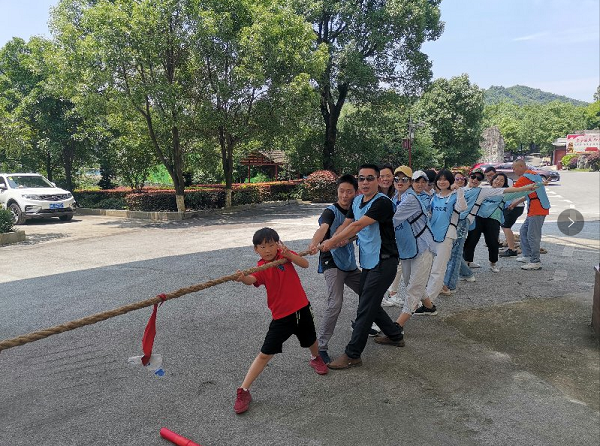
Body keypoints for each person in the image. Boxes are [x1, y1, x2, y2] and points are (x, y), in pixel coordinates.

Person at [234, 228, 328, 414]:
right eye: (263, 247)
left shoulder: (285, 255)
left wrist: (289, 255)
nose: (268, 250)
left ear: (278, 244)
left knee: (311, 339)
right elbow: (252, 279)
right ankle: (243, 391)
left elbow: (304, 264)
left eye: (271, 245)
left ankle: (315, 358)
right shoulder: (261, 267)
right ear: (256, 249)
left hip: (302, 309)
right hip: (281, 317)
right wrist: (243, 278)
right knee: (265, 354)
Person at [319, 164, 405, 370]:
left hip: (384, 262)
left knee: (365, 307)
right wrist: (334, 240)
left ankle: (353, 354)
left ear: (378, 181)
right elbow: (347, 224)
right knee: (369, 302)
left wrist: (331, 242)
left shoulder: (382, 203)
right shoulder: (357, 201)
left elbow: (358, 225)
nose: (365, 182)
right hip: (369, 262)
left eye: (370, 178)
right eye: (361, 178)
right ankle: (394, 335)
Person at [374, 169, 437, 347]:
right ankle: (430, 307)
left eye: (404, 179)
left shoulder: (409, 199)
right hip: (409, 248)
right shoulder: (396, 198)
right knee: (411, 280)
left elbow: (390, 221)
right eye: (397, 179)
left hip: (423, 246)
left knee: (414, 287)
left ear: (409, 182)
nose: (400, 182)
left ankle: (396, 328)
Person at [308, 175, 361, 364]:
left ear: (356, 192)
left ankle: (365, 325)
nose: (345, 195)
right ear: (337, 191)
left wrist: (348, 238)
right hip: (331, 261)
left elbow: (358, 231)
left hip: (348, 262)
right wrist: (314, 243)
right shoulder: (330, 211)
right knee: (335, 303)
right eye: (341, 191)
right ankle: (320, 348)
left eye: (349, 192)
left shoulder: (357, 210)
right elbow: (323, 228)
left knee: (369, 292)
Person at [463, 169, 540, 273]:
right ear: (492, 180)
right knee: (471, 240)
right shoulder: (483, 190)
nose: (498, 182)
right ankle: (468, 261)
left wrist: (536, 186)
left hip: (493, 220)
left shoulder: (505, 193)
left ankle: (493, 263)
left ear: (504, 183)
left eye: (502, 180)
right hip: (478, 218)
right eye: (497, 179)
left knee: (493, 242)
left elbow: (519, 192)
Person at [425, 169, 466, 301]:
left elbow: (462, 208)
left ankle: (429, 301)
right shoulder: (434, 197)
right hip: (432, 235)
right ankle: (428, 295)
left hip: (447, 236)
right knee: (428, 267)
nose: (442, 182)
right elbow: (429, 215)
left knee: (438, 269)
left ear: (450, 181)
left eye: (445, 179)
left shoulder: (455, 196)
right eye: (439, 179)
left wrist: (459, 190)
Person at [382, 165, 412, 308]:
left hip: (396, 239)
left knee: (397, 266)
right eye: (397, 179)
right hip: (383, 239)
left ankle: (391, 293)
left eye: (404, 179)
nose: (385, 179)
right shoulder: (388, 195)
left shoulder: (401, 196)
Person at [511, 159, 551, 270]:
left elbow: (511, 191)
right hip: (536, 208)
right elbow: (530, 193)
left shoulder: (526, 177)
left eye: (514, 168)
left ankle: (535, 261)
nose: (513, 170)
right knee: (523, 231)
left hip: (537, 209)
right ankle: (527, 254)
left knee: (533, 235)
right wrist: (516, 203)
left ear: (521, 166)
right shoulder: (533, 175)